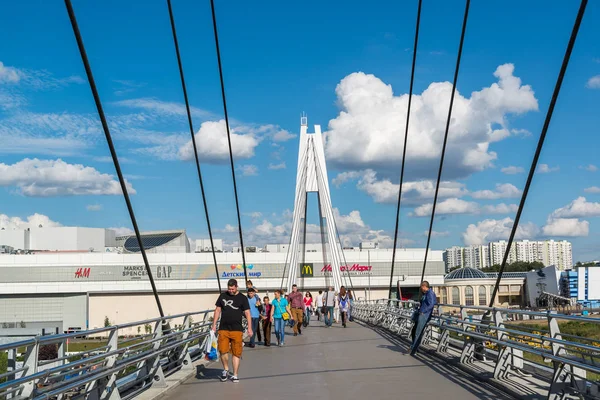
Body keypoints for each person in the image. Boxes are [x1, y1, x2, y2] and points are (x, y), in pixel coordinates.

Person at [211, 279, 252, 383]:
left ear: (236, 287)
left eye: (232, 289)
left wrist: (250, 328)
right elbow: (217, 310)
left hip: (237, 330)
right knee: (223, 350)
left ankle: (235, 375)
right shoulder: (222, 296)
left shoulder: (242, 298)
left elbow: (247, 313)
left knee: (236, 353)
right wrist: (214, 325)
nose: (230, 291)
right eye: (229, 289)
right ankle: (225, 369)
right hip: (223, 328)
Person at [408, 281, 437, 356]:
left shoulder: (430, 293)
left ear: (424, 286)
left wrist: (423, 311)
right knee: (414, 330)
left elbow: (432, 304)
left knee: (418, 332)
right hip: (420, 314)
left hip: (424, 315)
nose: (421, 289)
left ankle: (413, 350)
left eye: (421, 287)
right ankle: (414, 347)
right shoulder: (425, 294)